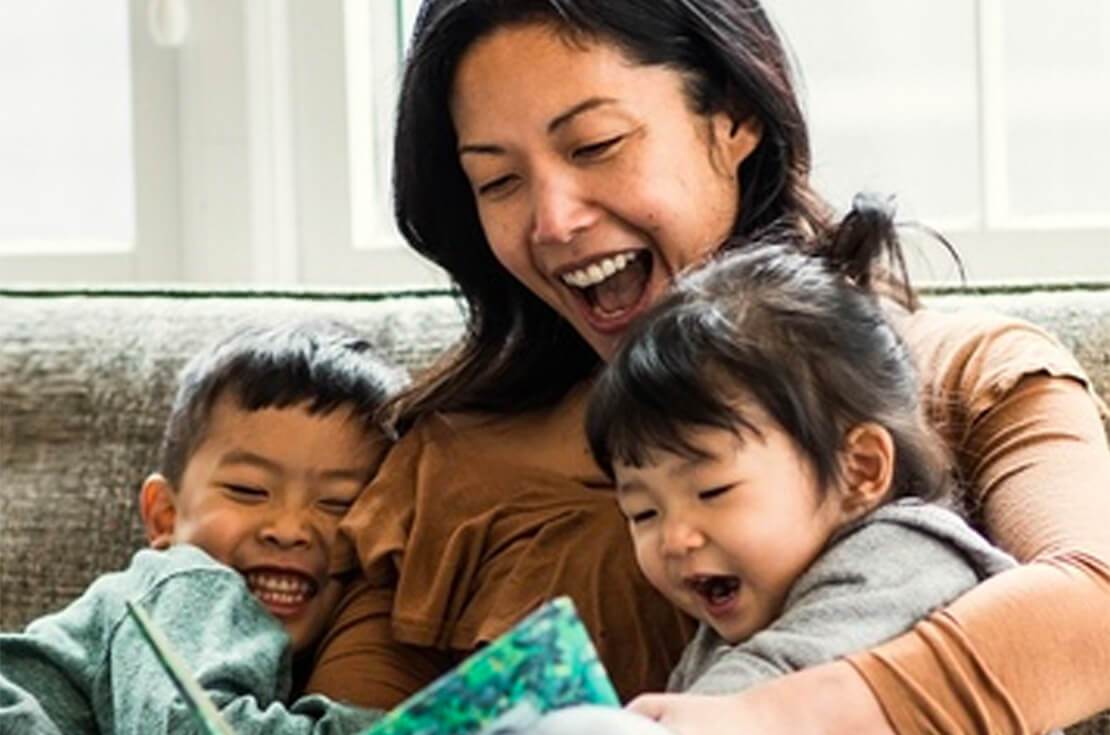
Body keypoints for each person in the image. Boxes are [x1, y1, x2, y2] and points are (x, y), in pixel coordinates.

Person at [307, 1, 1110, 733]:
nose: (552, 222)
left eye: (596, 145)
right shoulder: (450, 466)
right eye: (499, 180)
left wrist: (763, 717)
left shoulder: (968, 376)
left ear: (736, 118)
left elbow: (1098, 608)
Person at [0, 321, 405, 734]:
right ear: (166, 517)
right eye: (248, 490)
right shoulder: (186, 583)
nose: (288, 529)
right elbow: (193, 726)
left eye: (338, 504)